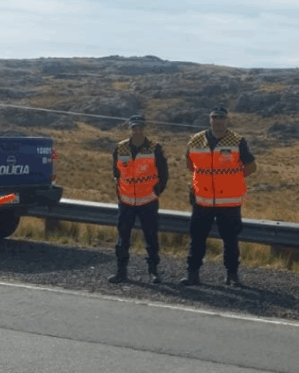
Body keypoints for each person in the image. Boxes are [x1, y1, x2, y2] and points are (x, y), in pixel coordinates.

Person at [180, 105, 257, 287]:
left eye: (221, 118)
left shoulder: (237, 141)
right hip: (202, 200)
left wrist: (233, 180)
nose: (218, 121)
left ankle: (232, 275)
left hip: (229, 201)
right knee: (197, 238)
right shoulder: (195, 140)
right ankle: (192, 274)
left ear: (227, 120)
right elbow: (190, 164)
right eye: (215, 118)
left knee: (230, 240)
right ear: (210, 120)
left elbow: (251, 166)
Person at [109, 114, 169, 284]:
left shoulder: (155, 148)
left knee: (151, 238)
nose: (137, 130)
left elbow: (164, 174)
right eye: (134, 127)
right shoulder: (120, 148)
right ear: (130, 128)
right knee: (123, 239)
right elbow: (116, 173)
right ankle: (121, 271)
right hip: (126, 202)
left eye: (140, 127)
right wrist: (120, 192)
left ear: (144, 128)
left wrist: (156, 192)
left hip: (148, 201)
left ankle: (153, 271)